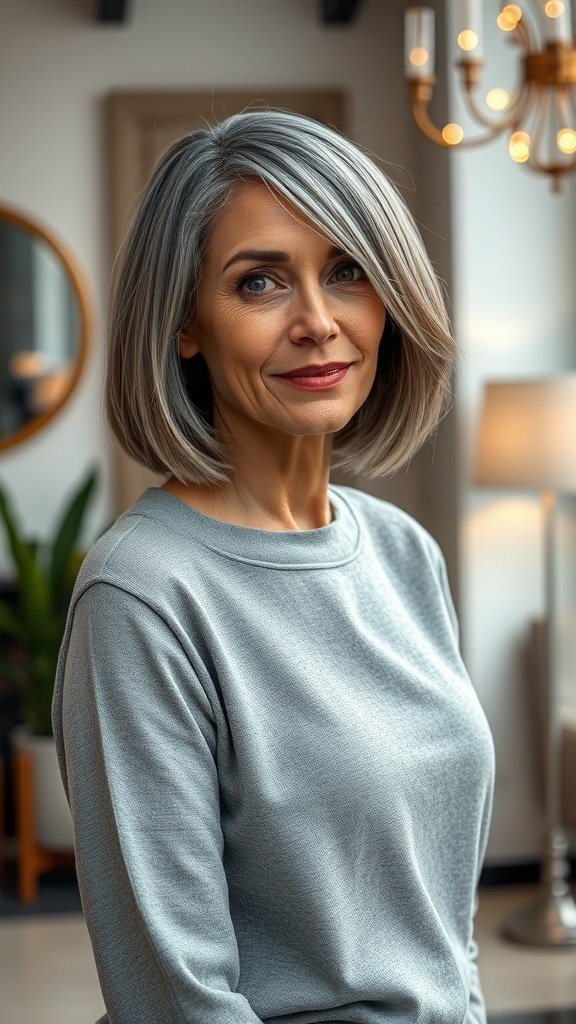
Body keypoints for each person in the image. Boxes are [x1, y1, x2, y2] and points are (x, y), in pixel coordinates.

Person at [52, 110, 495, 1024]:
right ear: (184, 324)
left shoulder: (405, 552)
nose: (319, 322)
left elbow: (442, 927)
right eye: (259, 282)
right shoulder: (143, 594)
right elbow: (177, 1002)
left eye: (348, 272)